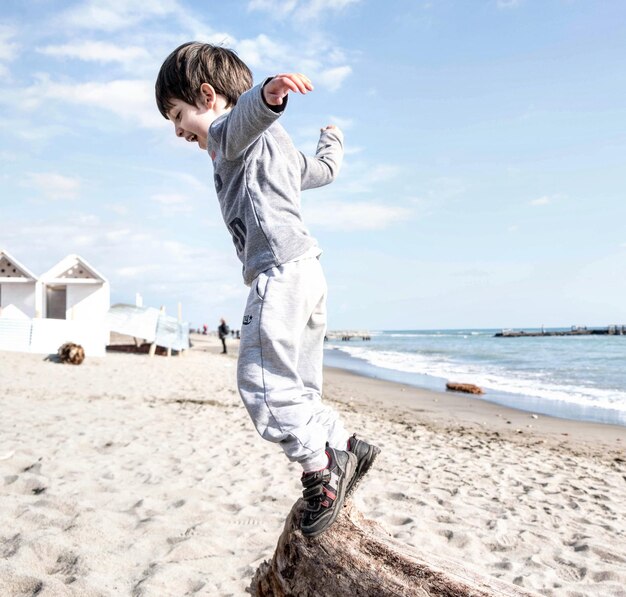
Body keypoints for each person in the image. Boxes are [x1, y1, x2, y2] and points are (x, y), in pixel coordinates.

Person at [155, 42, 379, 537]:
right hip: (310, 270)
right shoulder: (276, 146)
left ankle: (319, 472)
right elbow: (323, 171)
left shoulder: (227, 133)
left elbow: (243, 117)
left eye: (176, 114)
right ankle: (345, 446)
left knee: (261, 381)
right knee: (299, 382)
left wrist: (271, 93)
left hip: (278, 270)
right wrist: (332, 140)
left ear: (209, 96)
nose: (176, 130)